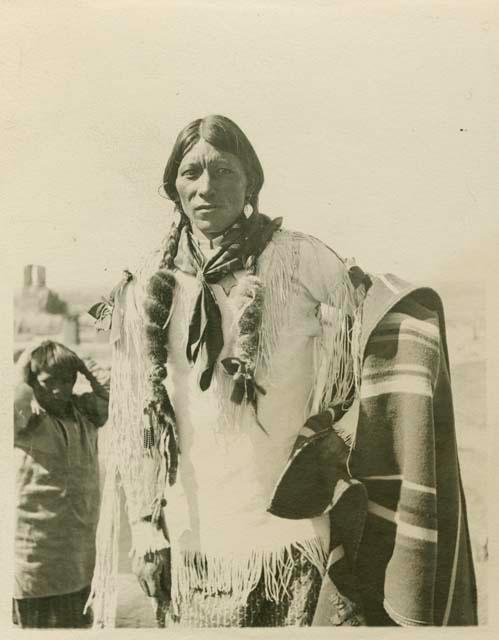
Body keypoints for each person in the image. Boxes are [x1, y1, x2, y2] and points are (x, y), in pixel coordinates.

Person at [87, 114, 477, 627]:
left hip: (293, 540)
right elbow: (135, 422)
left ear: (251, 181)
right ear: (172, 186)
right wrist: (143, 530)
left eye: (225, 171)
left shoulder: (300, 258)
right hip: (190, 546)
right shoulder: (144, 285)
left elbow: (374, 320)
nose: (207, 187)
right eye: (192, 172)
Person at [13, 340, 109, 628]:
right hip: (35, 558)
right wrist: (23, 367)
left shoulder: (85, 414)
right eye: (47, 382)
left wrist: (84, 364)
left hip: (79, 557)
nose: (59, 390)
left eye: (67, 381)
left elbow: (115, 393)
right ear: (31, 382)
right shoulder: (25, 420)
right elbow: (12, 400)